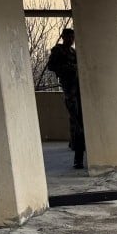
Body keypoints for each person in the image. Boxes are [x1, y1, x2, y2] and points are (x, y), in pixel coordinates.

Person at [46, 28, 85, 169]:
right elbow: (51, 66)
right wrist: (68, 68)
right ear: (63, 37)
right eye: (68, 37)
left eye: (72, 37)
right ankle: (78, 158)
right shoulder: (58, 51)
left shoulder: (73, 52)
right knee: (77, 124)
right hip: (70, 91)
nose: (71, 40)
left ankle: (76, 149)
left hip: (78, 90)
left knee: (78, 122)